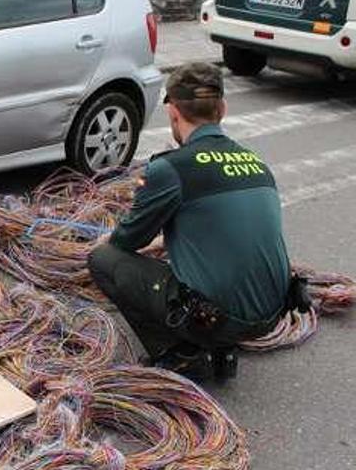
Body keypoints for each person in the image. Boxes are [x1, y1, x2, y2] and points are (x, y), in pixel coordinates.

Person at [87, 63, 292, 381]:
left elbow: (129, 240)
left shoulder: (170, 168)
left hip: (218, 318)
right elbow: (216, 231)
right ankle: (220, 344)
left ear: (173, 113)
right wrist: (164, 242)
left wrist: (109, 241)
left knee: (103, 259)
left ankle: (180, 353)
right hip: (270, 314)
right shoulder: (257, 163)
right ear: (222, 109)